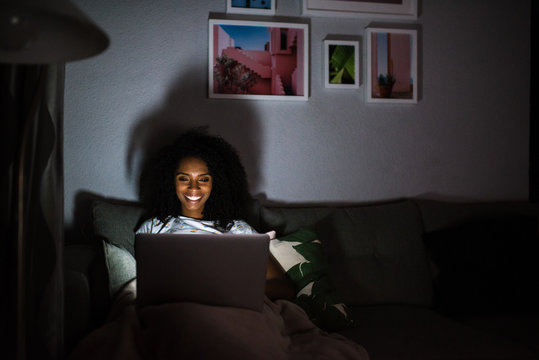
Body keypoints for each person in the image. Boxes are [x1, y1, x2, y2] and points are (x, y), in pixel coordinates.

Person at [136, 128, 295, 300]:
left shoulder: (238, 229)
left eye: (203, 179)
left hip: (230, 310)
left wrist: (230, 289)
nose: (193, 187)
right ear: (170, 181)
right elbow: (146, 286)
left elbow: (284, 288)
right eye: (184, 178)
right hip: (177, 313)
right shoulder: (153, 228)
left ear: (216, 183)